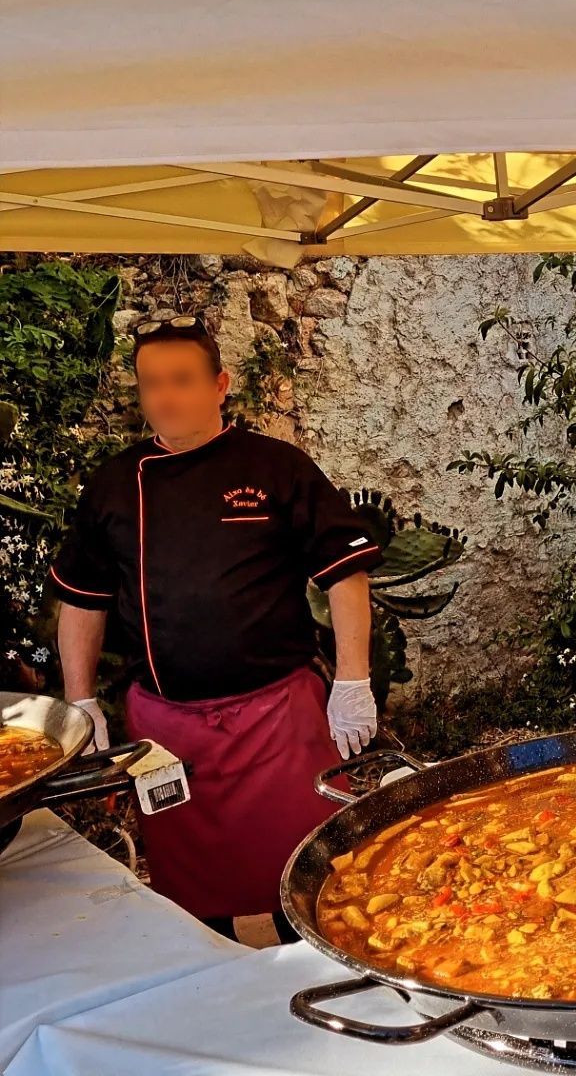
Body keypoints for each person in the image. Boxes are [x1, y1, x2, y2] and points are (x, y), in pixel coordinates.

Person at [47, 315, 382, 942]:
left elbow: (345, 573)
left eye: (182, 380)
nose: (165, 397)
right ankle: (214, 973)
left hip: (277, 718)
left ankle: (323, 966)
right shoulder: (115, 484)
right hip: (168, 732)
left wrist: (352, 681)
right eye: (151, 383)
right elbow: (83, 600)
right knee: (189, 884)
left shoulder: (276, 466)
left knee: (315, 871)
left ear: (220, 385)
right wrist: (80, 701)